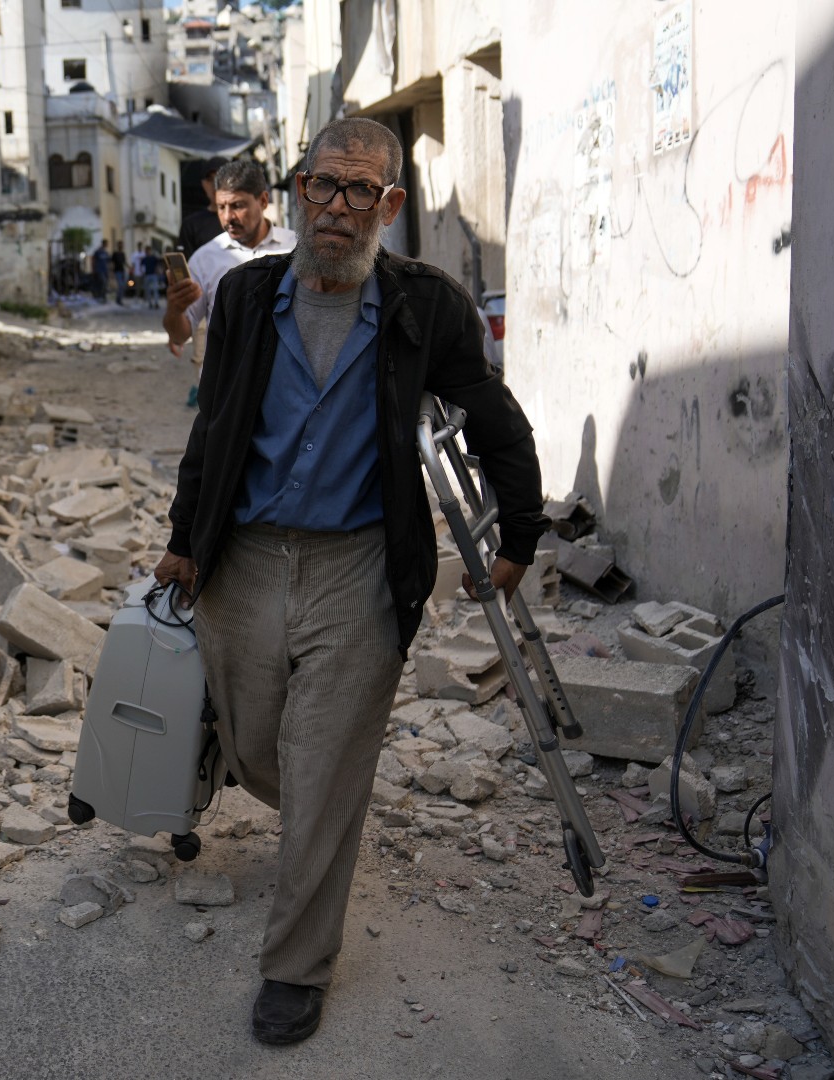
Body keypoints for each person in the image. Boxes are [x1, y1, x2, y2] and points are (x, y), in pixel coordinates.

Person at [153, 117, 548, 1046]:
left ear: (390, 204)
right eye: (324, 186)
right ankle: (287, 792)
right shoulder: (248, 297)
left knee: (327, 763)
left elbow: (491, 414)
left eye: (359, 191)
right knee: (259, 748)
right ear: (299, 190)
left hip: (359, 563)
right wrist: (184, 536)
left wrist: (521, 528)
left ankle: (295, 966)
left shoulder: (426, 305)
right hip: (242, 557)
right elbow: (213, 428)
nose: (338, 208)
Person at [163, 162, 296, 406]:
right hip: (225, 394)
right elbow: (180, 334)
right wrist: (174, 308)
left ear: (264, 201)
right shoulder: (204, 259)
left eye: (238, 205)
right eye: (221, 207)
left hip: (286, 392)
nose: (227, 217)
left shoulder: (297, 249)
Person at [178, 157, 230, 257]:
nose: (215, 185)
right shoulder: (190, 225)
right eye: (210, 179)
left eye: (221, 178)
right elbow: (185, 267)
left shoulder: (245, 220)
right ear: (203, 183)